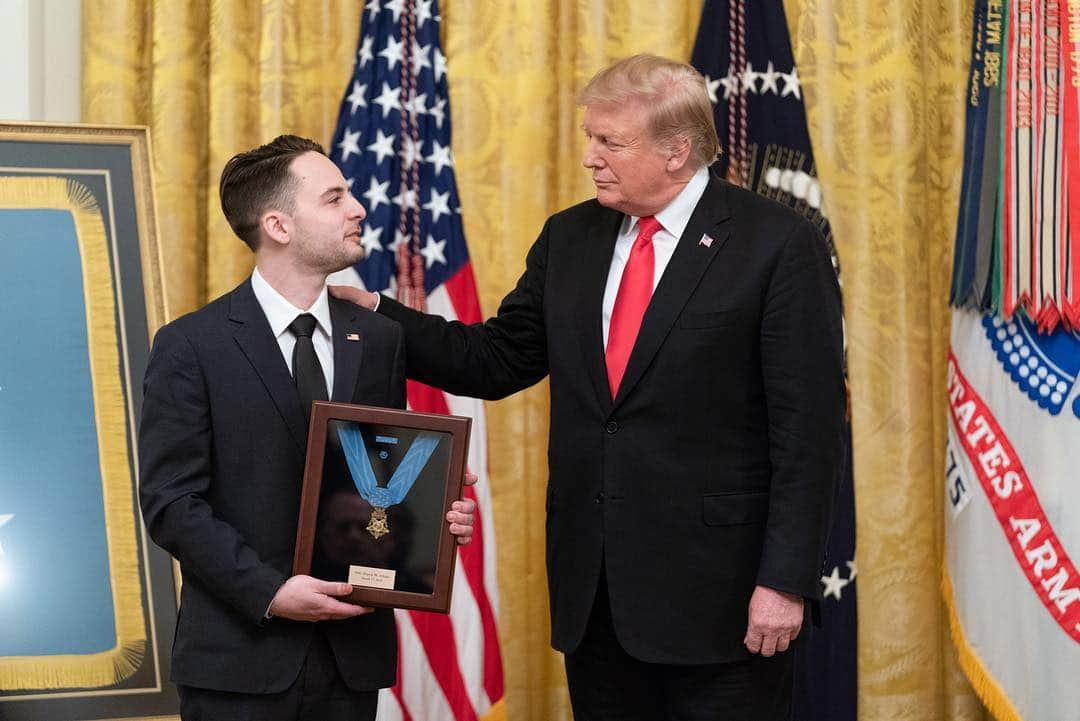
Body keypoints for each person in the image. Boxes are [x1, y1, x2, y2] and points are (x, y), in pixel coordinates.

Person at [333, 55, 845, 720]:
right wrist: (379, 312)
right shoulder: (570, 237)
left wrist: (784, 581)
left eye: (610, 142)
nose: (589, 157)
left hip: (723, 602)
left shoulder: (776, 244)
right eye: (590, 137)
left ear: (677, 151)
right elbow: (495, 358)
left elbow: (808, 434)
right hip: (595, 598)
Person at [137, 135, 476, 721]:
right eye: (334, 197)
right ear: (278, 225)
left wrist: (435, 514)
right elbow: (172, 502)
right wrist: (269, 592)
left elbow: (378, 478)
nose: (358, 209)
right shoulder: (192, 345)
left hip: (350, 659)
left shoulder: (378, 338)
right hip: (240, 659)